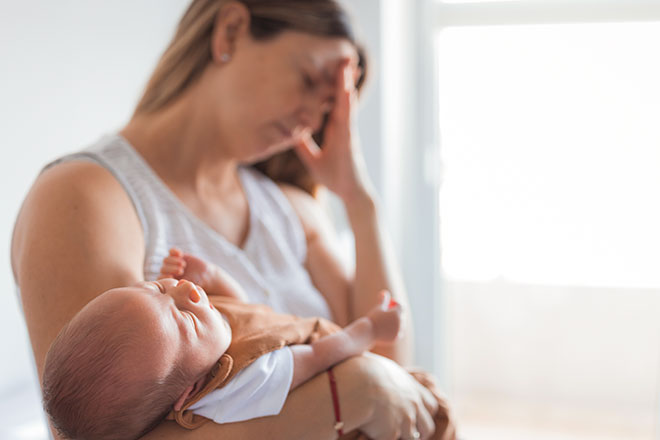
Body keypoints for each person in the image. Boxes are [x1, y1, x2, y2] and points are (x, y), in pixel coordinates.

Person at [11, 1, 456, 439]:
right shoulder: (85, 195)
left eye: (326, 108)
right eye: (308, 80)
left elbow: (392, 369)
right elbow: (94, 436)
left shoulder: (291, 209)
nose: (311, 118)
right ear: (230, 31)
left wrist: (359, 201)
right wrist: (348, 395)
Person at [42, 265, 403, 439]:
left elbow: (257, 324)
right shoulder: (243, 382)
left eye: (154, 287)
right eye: (185, 314)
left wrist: (214, 279)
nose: (185, 290)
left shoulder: (199, 356)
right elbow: (321, 355)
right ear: (193, 391)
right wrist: (371, 328)